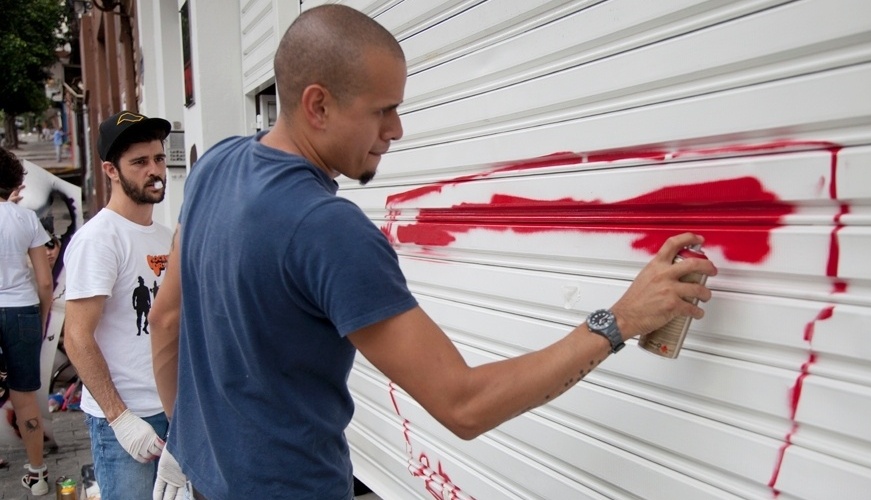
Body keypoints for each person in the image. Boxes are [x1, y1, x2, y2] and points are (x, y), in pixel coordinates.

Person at [150, 5, 718, 500]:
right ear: (317, 105)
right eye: (382, 110)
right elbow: (463, 405)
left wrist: (190, 440)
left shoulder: (214, 166)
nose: (396, 129)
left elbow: (166, 320)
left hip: (207, 483)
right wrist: (619, 321)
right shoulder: (326, 229)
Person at [63, 111, 174, 500]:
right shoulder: (100, 239)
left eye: (158, 158)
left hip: (176, 413)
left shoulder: (167, 236)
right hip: (128, 421)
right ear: (111, 170)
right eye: (140, 162)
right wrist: (121, 419)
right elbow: (76, 336)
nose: (154, 170)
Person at [0, 147, 53, 496]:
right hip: (22, 310)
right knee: (24, 397)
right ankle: (37, 475)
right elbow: (45, 280)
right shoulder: (26, 219)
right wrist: (43, 317)